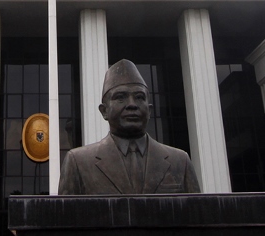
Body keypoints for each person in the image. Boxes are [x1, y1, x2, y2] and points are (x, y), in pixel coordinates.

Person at [58, 59, 201, 195]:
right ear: (104, 111)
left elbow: (199, 217)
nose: (132, 104)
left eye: (139, 97)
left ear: (149, 110)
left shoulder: (180, 161)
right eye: (120, 97)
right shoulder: (78, 162)